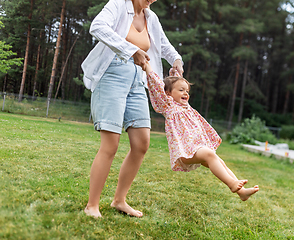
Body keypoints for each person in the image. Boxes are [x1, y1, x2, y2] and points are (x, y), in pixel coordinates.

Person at [81, 0, 183, 218]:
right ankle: (92, 205)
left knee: (141, 143)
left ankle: (119, 200)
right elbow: (97, 27)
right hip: (112, 74)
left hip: (139, 79)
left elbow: (163, 44)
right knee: (111, 144)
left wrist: (176, 60)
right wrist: (131, 49)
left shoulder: (151, 17)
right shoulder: (118, 4)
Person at [144, 62, 259, 201]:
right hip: (185, 152)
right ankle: (232, 184)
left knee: (219, 161)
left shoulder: (185, 106)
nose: (185, 93)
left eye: (187, 91)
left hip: (196, 148)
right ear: (167, 93)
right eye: (181, 90)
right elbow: (157, 85)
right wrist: (147, 66)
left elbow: (176, 82)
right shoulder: (168, 106)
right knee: (211, 154)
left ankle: (242, 192)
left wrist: (176, 71)